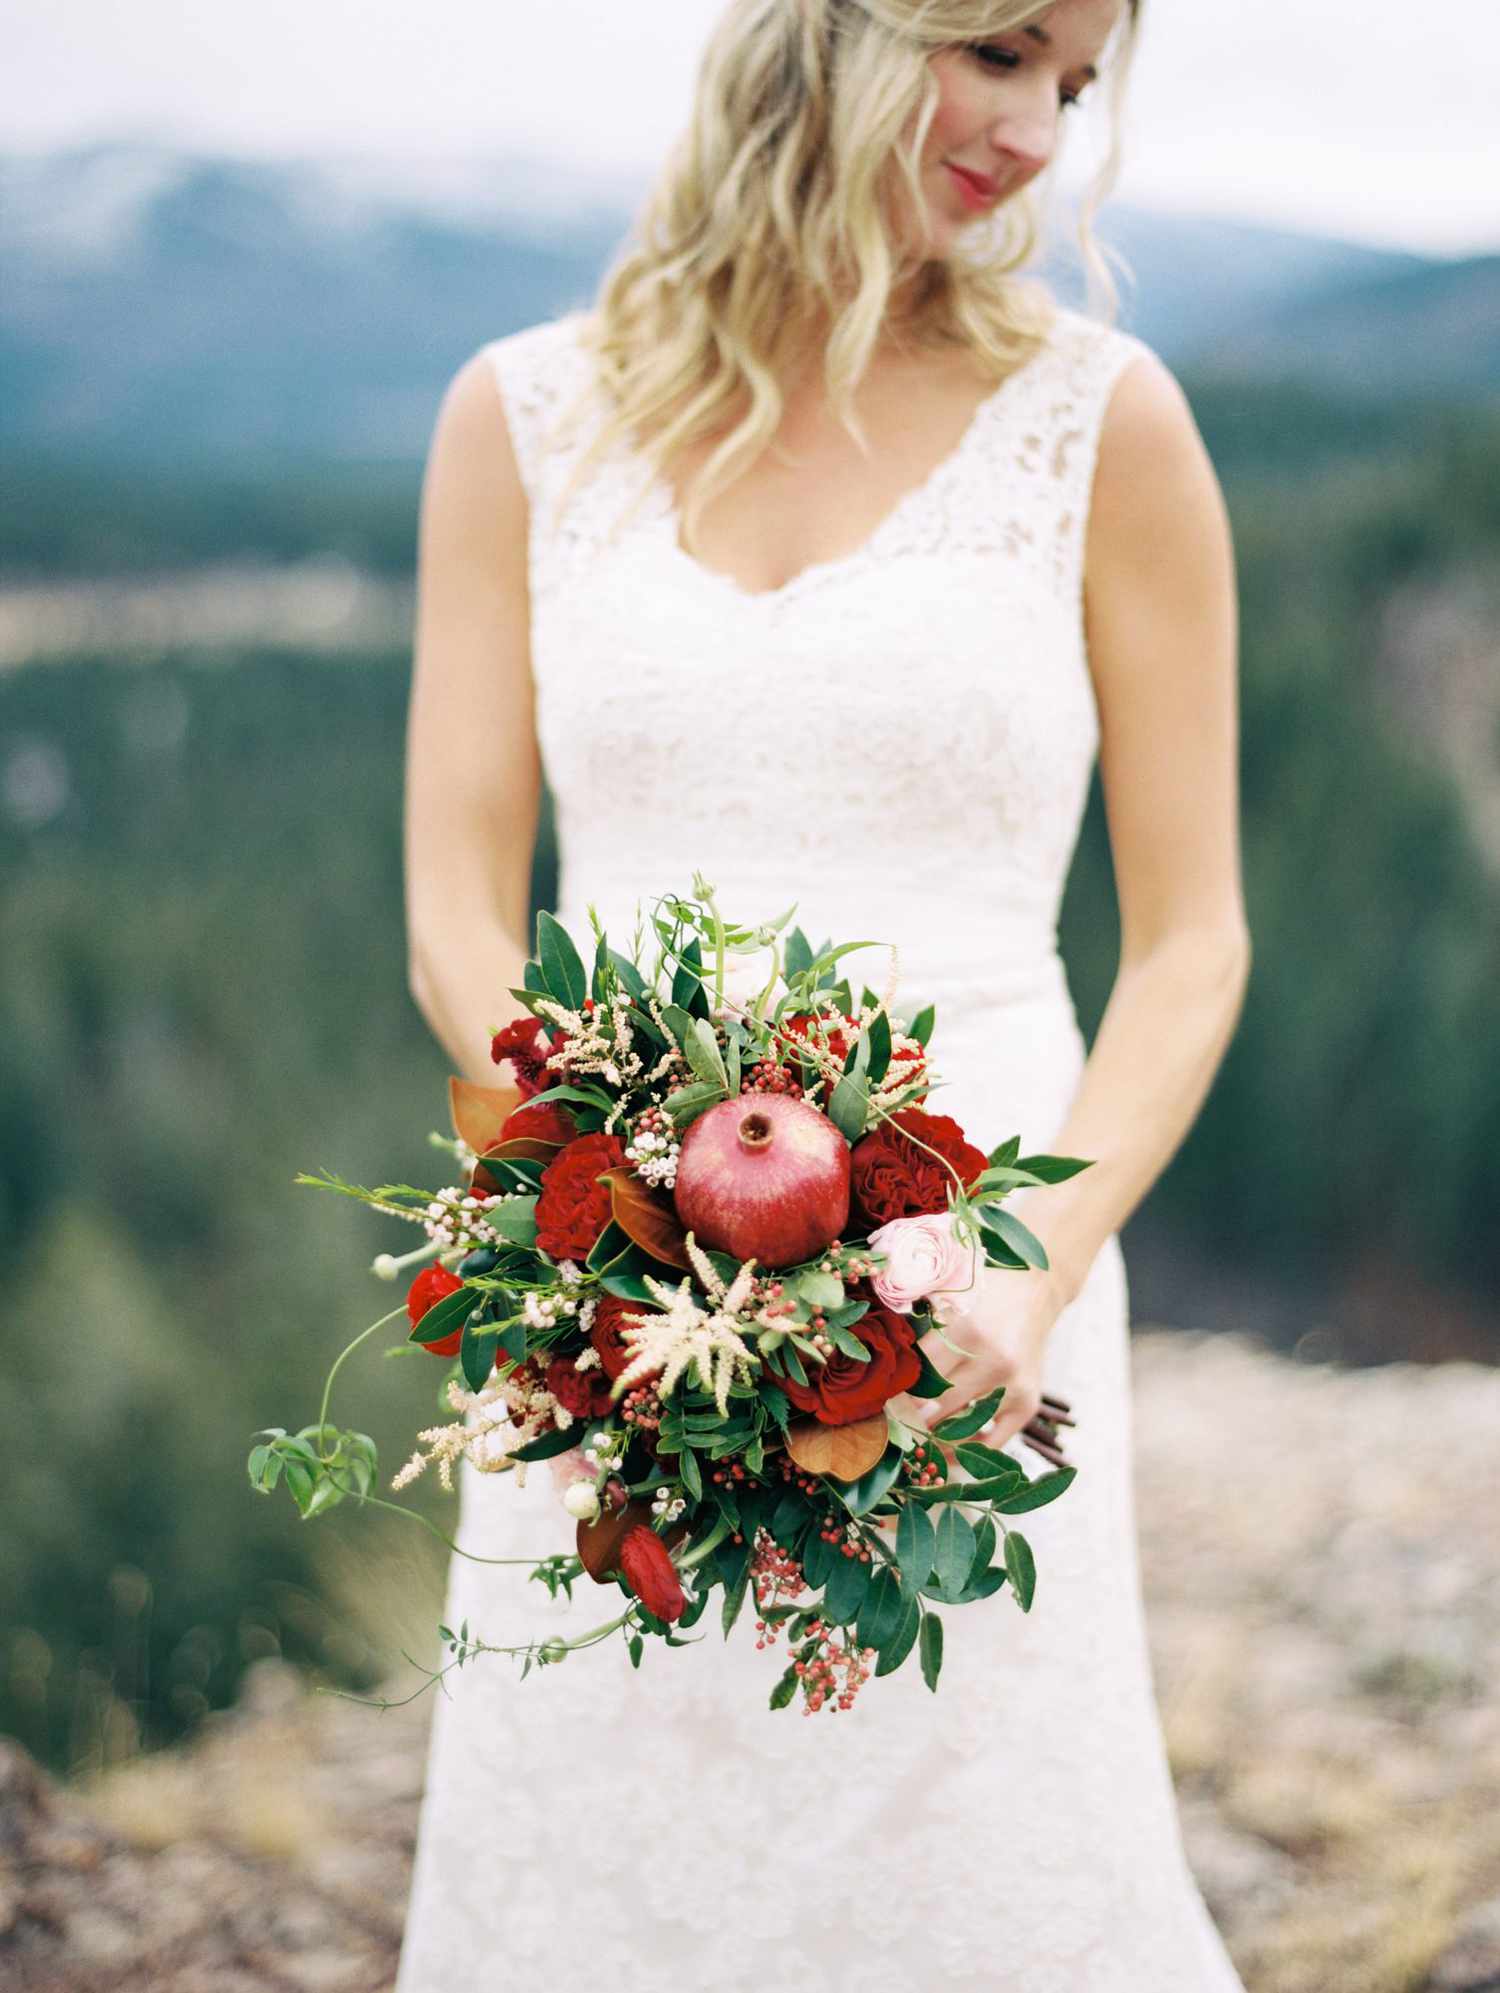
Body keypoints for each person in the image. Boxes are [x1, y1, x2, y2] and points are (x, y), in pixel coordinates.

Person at [396, 0, 1251, 1983]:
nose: (1037, 129)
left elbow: (1194, 935)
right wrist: (589, 1162)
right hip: (615, 1279)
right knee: (604, 1813)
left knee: (963, 1822)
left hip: (975, 1278)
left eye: (1075, 83)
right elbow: (457, 883)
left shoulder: (1103, 426)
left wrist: (1030, 1267)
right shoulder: (521, 414)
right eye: (1000, 50)